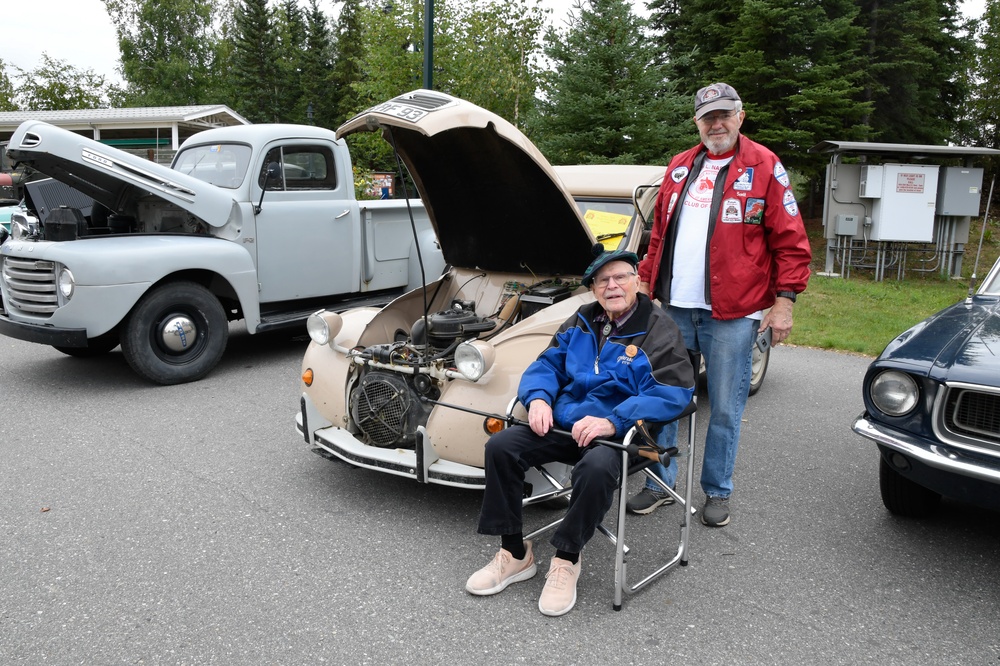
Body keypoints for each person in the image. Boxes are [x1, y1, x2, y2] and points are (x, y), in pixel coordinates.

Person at [466, 249, 695, 616]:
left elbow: (674, 392)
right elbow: (546, 364)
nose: (612, 285)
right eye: (602, 280)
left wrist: (615, 419)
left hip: (621, 435)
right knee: (501, 446)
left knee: (595, 468)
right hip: (565, 424)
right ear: (593, 290)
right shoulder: (583, 320)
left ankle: (567, 558)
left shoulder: (658, 327)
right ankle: (514, 552)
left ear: (637, 280)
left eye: (620, 277)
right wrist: (538, 399)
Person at [625, 82, 812, 527]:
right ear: (697, 123)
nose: (717, 124)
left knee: (726, 407)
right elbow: (658, 238)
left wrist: (783, 303)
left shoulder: (765, 166)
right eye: (709, 117)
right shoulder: (678, 168)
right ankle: (658, 483)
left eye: (725, 115)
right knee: (663, 396)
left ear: (740, 116)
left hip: (733, 313)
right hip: (673, 308)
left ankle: (717, 490)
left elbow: (790, 242)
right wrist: (645, 287)